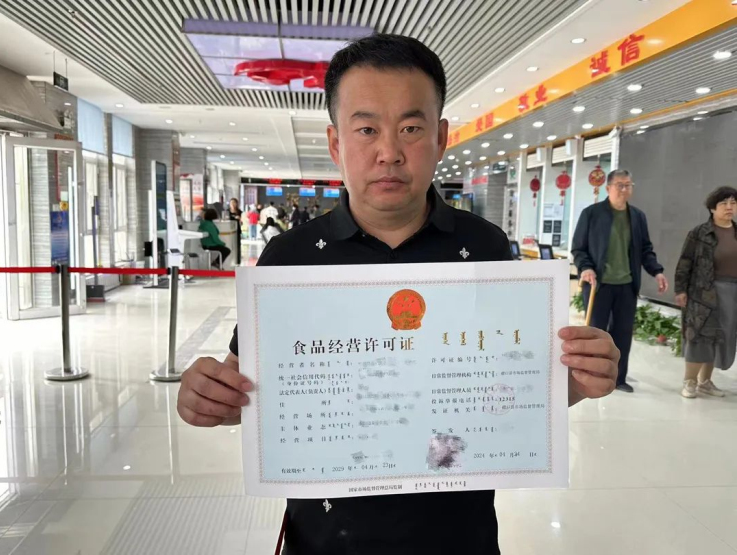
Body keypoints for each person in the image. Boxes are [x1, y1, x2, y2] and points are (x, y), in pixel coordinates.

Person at [178, 33, 619, 555]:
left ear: (441, 137)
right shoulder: (289, 259)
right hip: (325, 540)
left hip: (457, 536)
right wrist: (209, 397)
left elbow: (510, 392)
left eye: (411, 128)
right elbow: (245, 389)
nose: (389, 152)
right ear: (336, 144)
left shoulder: (485, 247)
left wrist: (576, 383)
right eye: (366, 129)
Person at [572, 169, 668, 393]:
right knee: (596, 332)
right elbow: (578, 248)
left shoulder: (637, 216)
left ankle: (618, 378)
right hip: (599, 285)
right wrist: (586, 267)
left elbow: (645, 250)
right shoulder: (591, 214)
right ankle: (591, 374)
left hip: (626, 285)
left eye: (628, 185)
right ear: (608, 188)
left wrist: (657, 271)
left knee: (623, 334)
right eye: (620, 185)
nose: (624, 189)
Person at [675, 186, 737, 398]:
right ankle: (690, 381)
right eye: (723, 203)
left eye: (733, 203)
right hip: (703, 294)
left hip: (731, 294)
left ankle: (705, 382)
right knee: (700, 337)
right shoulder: (700, 233)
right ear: (712, 208)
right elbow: (685, 262)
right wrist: (680, 289)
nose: (729, 207)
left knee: (718, 337)